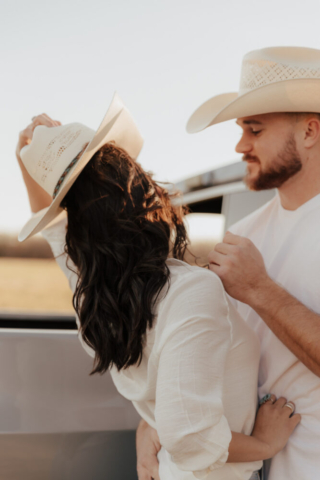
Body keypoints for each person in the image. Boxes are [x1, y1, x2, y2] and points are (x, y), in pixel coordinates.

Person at [15, 95, 299, 480]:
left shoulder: (97, 295)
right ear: (138, 191)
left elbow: (53, 234)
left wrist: (32, 164)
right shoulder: (189, 291)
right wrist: (266, 444)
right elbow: (189, 438)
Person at [137, 46, 320, 480]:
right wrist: (156, 419)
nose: (240, 145)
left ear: (311, 131)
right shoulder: (247, 232)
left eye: (254, 130)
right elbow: (219, 352)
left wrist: (259, 290)